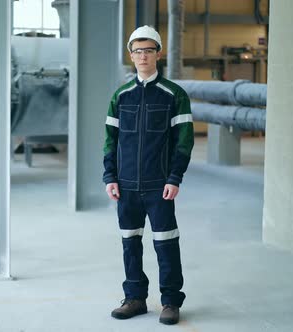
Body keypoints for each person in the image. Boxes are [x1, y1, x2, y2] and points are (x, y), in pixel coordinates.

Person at [102, 25, 194, 325]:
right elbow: (110, 140)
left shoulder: (174, 95)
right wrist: (110, 177)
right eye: (137, 51)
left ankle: (170, 302)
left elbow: (184, 140)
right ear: (131, 55)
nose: (143, 56)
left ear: (158, 53)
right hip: (126, 186)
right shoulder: (121, 96)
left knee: (166, 244)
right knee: (130, 244)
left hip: (159, 186)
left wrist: (174, 178)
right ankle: (135, 298)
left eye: (148, 50)